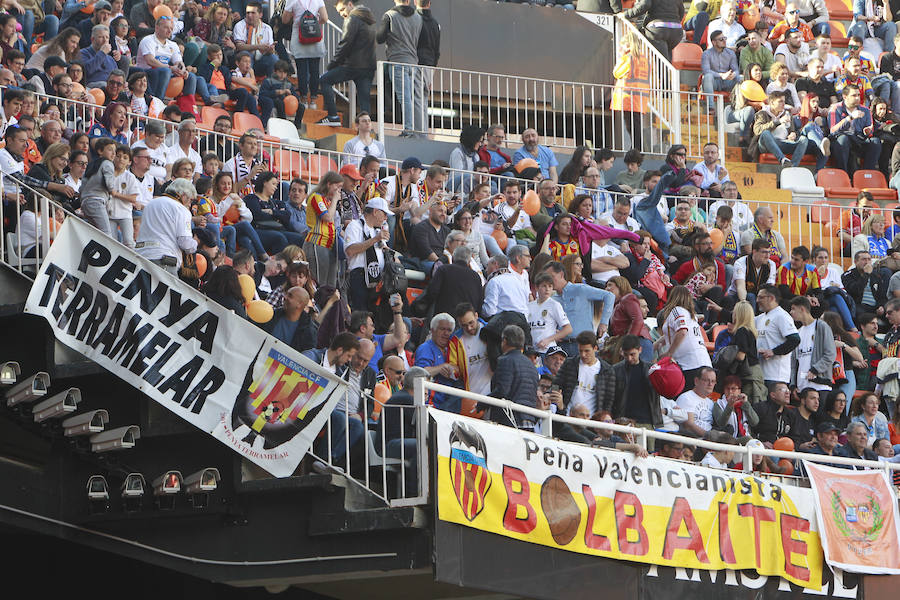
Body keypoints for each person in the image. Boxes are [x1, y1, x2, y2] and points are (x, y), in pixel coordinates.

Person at [317, 0, 377, 126]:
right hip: (368, 67)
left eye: (342, 9)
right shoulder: (369, 19)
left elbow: (345, 44)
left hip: (353, 65)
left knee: (324, 80)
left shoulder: (352, 19)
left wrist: (333, 64)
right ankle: (366, 129)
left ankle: (333, 116)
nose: (341, 14)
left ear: (350, 4)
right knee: (364, 100)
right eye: (339, 11)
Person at [304, 333, 361, 466]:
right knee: (339, 418)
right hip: (304, 405)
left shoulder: (341, 371)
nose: (349, 360)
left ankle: (331, 460)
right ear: (340, 350)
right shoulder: (313, 356)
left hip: (324, 409)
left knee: (356, 425)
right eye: (349, 355)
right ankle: (322, 459)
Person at [545, 260, 615, 357]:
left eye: (551, 277)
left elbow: (609, 296)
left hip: (584, 344)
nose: (549, 281)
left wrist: (604, 323)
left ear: (561, 274)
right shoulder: (552, 299)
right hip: (562, 346)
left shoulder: (580, 289)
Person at [377, 0, 423, 137]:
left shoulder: (390, 15)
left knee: (404, 98)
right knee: (411, 97)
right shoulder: (418, 17)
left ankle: (408, 129)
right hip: (413, 62)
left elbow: (379, 38)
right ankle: (414, 129)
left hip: (398, 60)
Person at [135, 179, 198, 274]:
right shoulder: (181, 209)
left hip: (141, 256)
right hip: (164, 260)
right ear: (184, 195)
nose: (190, 204)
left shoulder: (150, 204)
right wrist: (195, 243)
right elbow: (185, 243)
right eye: (191, 200)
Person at [656, 286, 712, 392]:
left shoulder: (677, 310)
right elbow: (673, 334)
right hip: (705, 364)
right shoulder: (691, 316)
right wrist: (654, 346)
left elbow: (682, 331)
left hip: (690, 365)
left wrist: (669, 353)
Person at [553, 331, 614, 417]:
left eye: (587, 351)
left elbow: (609, 400)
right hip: (568, 416)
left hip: (591, 421)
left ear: (595, 348)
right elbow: (556, 384)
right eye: (580, 351)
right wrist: (559, 402)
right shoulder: (570, 363)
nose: (583, 354)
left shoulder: (607, 370)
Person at [489, 324, 539, 428]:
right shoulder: (532, 366)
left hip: (510, 420)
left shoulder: (505, 360)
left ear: (505, 341)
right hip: (529, 421)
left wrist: (483, 403)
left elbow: (502, 390)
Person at [611, 334, 662, 434]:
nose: (629, 358)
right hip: (624, 421)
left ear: (640, 350)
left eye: (632, 354)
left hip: (647, 421)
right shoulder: (616, 370)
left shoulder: (652, 369)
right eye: (626, 355)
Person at [136, 16, 196, 101]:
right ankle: (157, 102)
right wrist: (170, 68)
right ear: (157, 28)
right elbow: (150, 60)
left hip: (165, 73)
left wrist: (182, 70)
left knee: (191, 77)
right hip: (146, 73)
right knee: (166, 71)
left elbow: (179, 62)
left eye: (171, 28)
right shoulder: (148, 40)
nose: (169, 30)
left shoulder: (173, 45)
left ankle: (188, 107)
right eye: (166, 27)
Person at [829, 84, 881, 175]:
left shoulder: (865, 110)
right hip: (842, 141)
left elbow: (869, 130)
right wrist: (850, 118)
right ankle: (843, 174)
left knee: (875, 141)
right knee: (843, 139)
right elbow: (833, 131)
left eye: (858, 95)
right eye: (854, 95)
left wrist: (868, 131)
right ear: (845, 97)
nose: (857, 98)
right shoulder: (836, 108)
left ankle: (867, 174)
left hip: (859, 139)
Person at [414, 313, 459, 413]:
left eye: (449, 330)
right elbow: (420, 372)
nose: (446, 333)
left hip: (449, 405)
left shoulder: (453, 349)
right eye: (442, 329)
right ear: (432, 330)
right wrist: (442, 367)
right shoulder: (426, 348)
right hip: (431, 406)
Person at [755, 286, 800, 384]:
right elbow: (743, 320)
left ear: (771, 298)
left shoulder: (781, 316)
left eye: (760, 297)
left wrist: (773, 352)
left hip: (776, 377)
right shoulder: (761, 318)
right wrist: (719, 309)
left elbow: (795, 339)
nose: (757, 300)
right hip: (761, 375)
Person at [753, 90, 810, 167]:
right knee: (765, 133)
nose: (783, 104)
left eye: (784, 101)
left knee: (803, 139)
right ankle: (783, 159)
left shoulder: (787, 113)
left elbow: (792, 131)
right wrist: (778, 122)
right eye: (780, 101)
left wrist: (793, 134)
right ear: (772, 103)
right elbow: (758, 130)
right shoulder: (762, 113)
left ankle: (792, 166)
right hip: (767, 145)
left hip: (783, 143)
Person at [528, 273, 572, 353]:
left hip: (548, 350)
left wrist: (548, 340)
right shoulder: (529, 306)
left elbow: (568, 329)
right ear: (537, 288)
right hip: (533, 351)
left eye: (550, 286)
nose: (547, 289)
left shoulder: (554, 305)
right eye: (544, 286)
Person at [482, 247, 531, 318]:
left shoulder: (494, 281)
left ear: (495, 264)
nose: (486, 270)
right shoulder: (517, 280)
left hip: (506, 323)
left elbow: (489, 311)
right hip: (523, 321)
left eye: (488, 265)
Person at [843, 250, 891, 319]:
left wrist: (881, 306)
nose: (867, 262)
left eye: (869, 259)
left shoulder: (876, 276)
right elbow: (855, 291)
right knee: (861, 313)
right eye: (863, 259)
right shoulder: (848, 275)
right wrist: (866, 274)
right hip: (858, 305)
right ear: (856, 262)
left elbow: (882, 296)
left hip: (875, 307)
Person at [702, 29, 741, 111]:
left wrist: (733, 74)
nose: (724, 41)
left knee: (740, 78)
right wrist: (721, 75)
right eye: (721, 39)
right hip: (714, 81)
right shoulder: (706, 54)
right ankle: (711, 107)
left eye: (724, 38)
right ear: (713, 42)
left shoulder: (731, 53)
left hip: (727, 81)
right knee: (707, 76)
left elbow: (736, 70)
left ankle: (739, 106)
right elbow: (706, 70)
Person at [675, 367, 716, 437]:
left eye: (713, 381)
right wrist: (709, 437)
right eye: (706, 380)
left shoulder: (711, 403)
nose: (710, 384)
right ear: (696, 381)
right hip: (691, 441)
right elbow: (688, 425)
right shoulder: (686, 398)